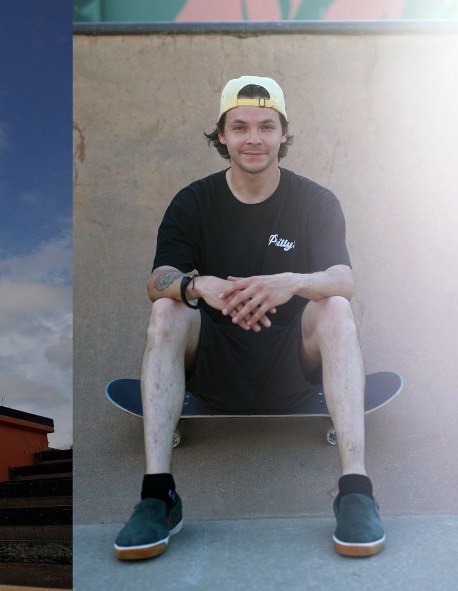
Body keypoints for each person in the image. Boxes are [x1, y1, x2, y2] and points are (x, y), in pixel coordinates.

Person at [114, 76, 384, 560]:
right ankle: (158, 496)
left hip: (291, 362)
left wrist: (292, 281)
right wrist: (200, 286)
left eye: (266, 126)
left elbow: (343, 278)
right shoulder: (193, 201)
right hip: (215, 359)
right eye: (239, 127)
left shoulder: (315, 201)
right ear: (221, 135)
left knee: (336, 306)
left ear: (283, 133)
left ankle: (356, 490)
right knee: (166, 310)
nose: (253, 138)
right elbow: (157, 280)